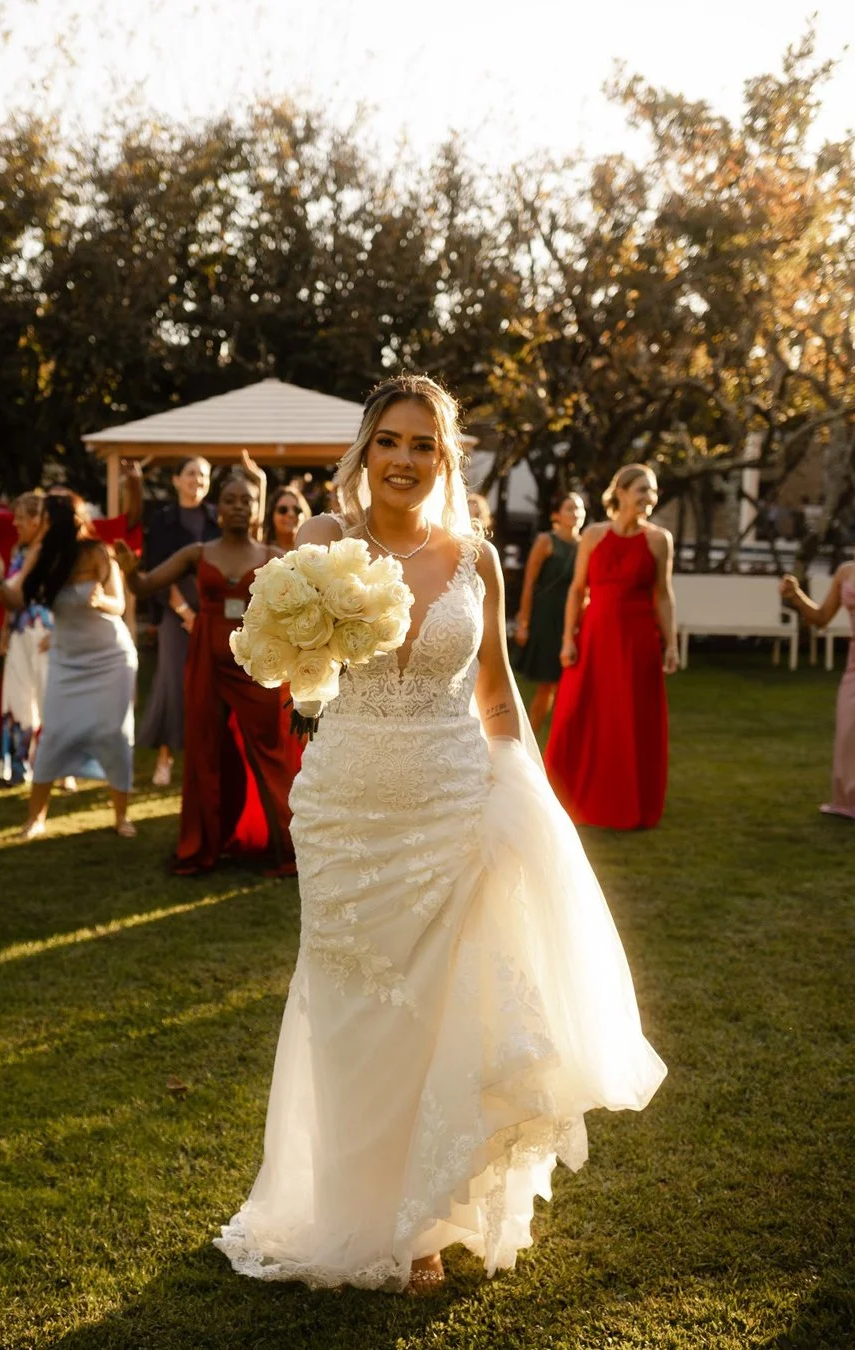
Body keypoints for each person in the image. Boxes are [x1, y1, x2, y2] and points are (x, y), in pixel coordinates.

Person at [212, 375, 666, 1293]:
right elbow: (292, 672)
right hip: (347, 811)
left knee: (442, 1013)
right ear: (364, 451)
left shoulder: (476, 558)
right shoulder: (322, 539)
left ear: (446, 459)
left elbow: (494, 691)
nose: (404, 459)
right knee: (354, 1016)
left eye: (424, 444)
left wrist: (525, 787)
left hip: (453, 803)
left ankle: (420, 1220)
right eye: (389, 440)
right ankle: (349, 1207)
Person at [120, 475, 296, 875]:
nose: (238, 507)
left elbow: (300, 605)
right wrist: (128, 573)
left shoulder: (273, 555)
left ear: (256, 510)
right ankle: (203, 847)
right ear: (218, 509)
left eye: (246, 501)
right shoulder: (197, 553)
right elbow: (145, 585)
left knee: (269, 752)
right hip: (207, 661)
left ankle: (289, 850)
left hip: (256, 666)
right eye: (230, 500)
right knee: (205, 751)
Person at [0, 493, 137, 838]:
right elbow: (16, 601)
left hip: (110, 657)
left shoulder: (97, 552)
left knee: (114, 735)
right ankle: (35, 819)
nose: (39, 525)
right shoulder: (42, 557)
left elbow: (119, 605)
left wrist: (101, 600)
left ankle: (121, 817)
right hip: (68, 660)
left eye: (45, 519)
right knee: (54, 735)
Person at [545, 464, 678, 830]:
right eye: (642, 490)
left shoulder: (659, 540)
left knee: (629, 719)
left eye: (653, 491)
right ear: (620, 492)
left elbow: (663, 595)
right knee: (578, 713)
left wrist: (671, 644)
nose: (650, 497)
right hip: (594, 637)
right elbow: (577, 590)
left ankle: (626, 800)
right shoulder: (593, 535)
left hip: (638, 640)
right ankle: (565, 797)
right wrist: (568, 639)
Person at [0, 459, 147, 631]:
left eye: (63, 506)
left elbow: (128, 523)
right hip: (45, 638)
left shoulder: (93, 547)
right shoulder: (34, 549)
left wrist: (135, 483)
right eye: (51, 505)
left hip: (95, 643)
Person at [136, 456, 219, 788]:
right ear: (176, 479)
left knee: (211, 685)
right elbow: (155, 569)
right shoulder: (163, 520)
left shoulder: (217, 518)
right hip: (174, 613)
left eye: (203, 475)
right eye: (190, 473)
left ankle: (207, 758)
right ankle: (165, 758)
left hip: (212, 614)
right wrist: (184, 612)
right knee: (173, 681)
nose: (197, 480)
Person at [780, 563, 855, 819]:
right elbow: (822, 618)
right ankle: (848, 801)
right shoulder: (846, 571)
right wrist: (796, 595)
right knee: (848, 732)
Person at [513, 492, 586, 734]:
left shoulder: (585, 545)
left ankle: (561, 737)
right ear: (556, 515)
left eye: (579, 508)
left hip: (571, 618)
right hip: (546, 616)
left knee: (567, 684)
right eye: (570, 508)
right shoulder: (546, 541)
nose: (576, 513)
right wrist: (523, 622)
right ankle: (530, 737)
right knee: (547, 684)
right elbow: (529, 582)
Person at [0, 493, 50, 786]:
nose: (14, 524)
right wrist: (5, 630)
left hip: (43, 630)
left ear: (36, 520)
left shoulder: (50, 552)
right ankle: (19, 764)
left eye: (20, 518)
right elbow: (11, 595)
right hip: (19, 630)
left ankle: (56, 766)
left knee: (46, 696)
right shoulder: (19, 549)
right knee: (17, 696)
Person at [264, 483, 311, 551]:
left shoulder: (314, 552)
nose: (291, 514)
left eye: (296, 510)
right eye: (283, 510)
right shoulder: (260, 552)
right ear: (271, 515)